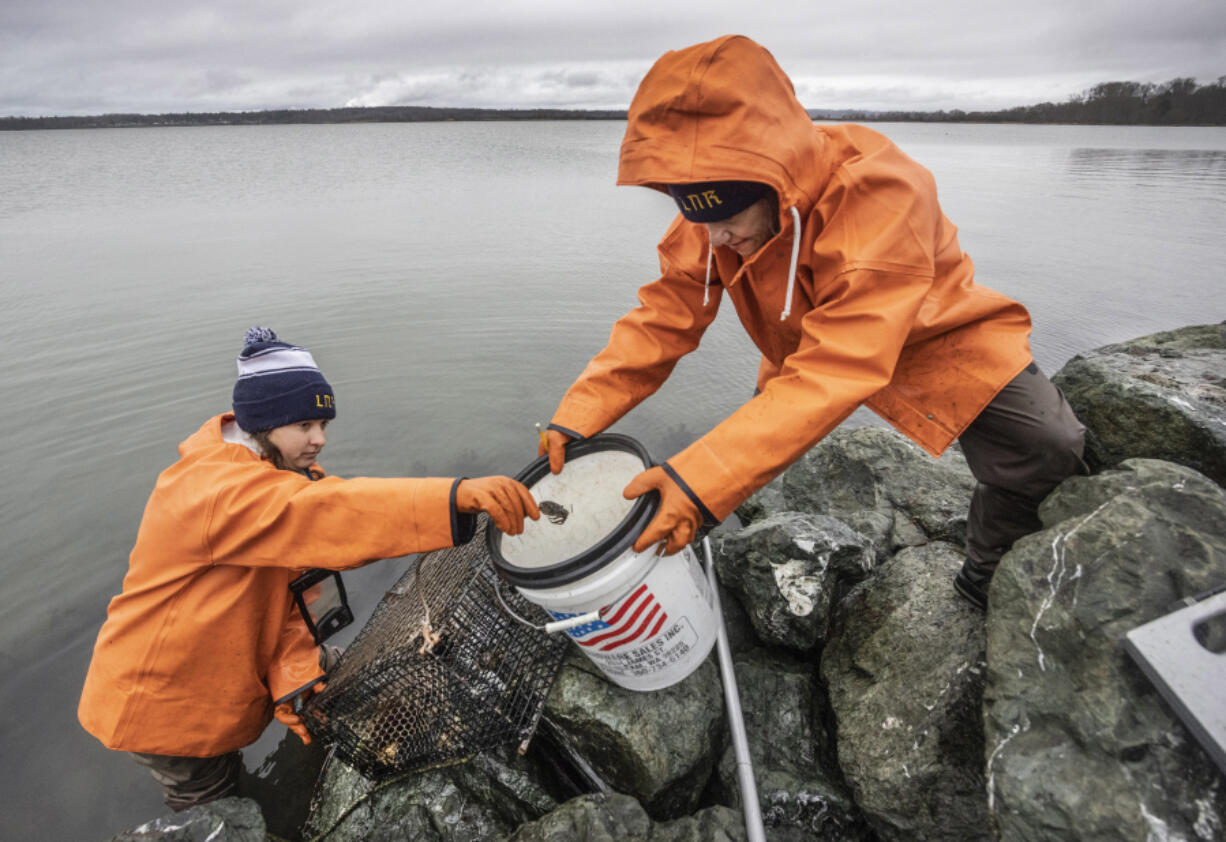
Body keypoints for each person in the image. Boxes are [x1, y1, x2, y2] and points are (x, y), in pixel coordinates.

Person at [538, 35, 1087, 610]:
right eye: (696, 218)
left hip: (933, 333)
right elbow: (664, 316)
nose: (714, 238)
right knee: (750, 454)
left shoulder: (885, 193)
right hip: (802, 343)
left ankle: (986, 572)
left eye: (726, 217)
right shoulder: (712, 220)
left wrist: (699, 482)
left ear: (774, 182)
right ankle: (751, 531)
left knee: (1047, 445)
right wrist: (579, 416)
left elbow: (842, 362)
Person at [79, 326, 539, 811]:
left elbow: (286, 587)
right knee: (213, 804)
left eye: (324, 424)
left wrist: (294, 670)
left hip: (218, 673)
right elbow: (330, 513)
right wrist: (455, 499)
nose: (319, 439)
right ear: (264, 422)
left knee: (256, 758)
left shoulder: (274, 474)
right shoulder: (215, 491)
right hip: (165, 701)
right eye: (304, 426)